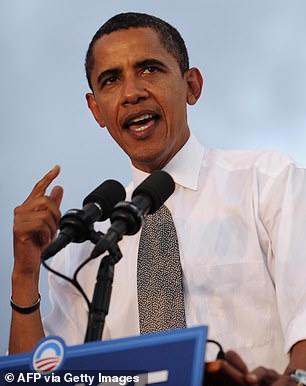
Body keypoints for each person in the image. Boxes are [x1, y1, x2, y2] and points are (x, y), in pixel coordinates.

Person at [10, 12, 306, 385]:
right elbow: (38, 378)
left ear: (192, 86)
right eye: (111, 79)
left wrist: (296, 378)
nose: (132, 92)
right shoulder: (83, 244)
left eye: (149, 69)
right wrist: (24, 274)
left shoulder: (268, 182)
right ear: (96, 109)